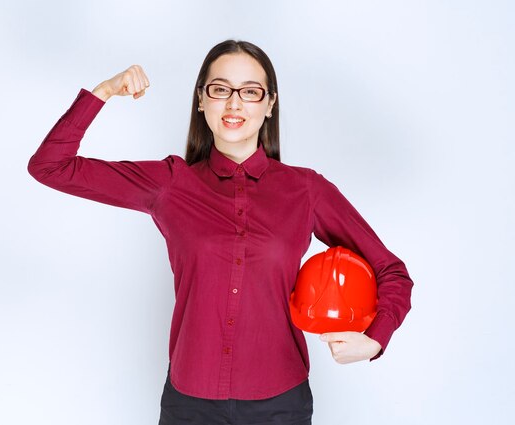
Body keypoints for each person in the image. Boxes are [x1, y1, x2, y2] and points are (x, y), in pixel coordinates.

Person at [28, 39, 413, 425]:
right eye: (220, 89)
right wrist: (104, 91)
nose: (234, 104)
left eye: (249, 92)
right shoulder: (171, 183)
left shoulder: (306, 190)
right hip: (188, 404)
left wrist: (375, 338)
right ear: (201, 100)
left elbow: (391, 271)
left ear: (269, 104)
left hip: (281, 402)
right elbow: (50, 167)